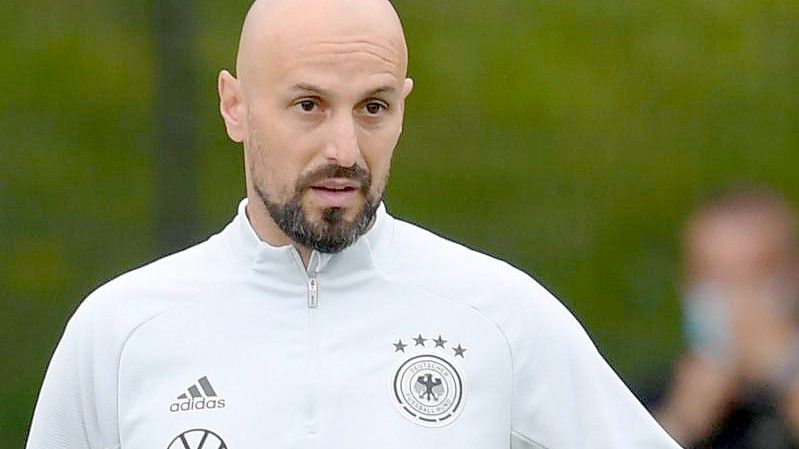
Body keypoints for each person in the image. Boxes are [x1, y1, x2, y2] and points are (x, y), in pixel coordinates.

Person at [26, 1, 681, 448]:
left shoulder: (500, 316)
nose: (343, 146)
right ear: (235, 107)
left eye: (372, 106)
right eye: (308, 104)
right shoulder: (118, 331)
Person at [656, 187, 799, 448]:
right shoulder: (649, 399)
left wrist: (786, 372)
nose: (731, 299)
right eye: (711, 276)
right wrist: (681, 423)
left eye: (749, 276)